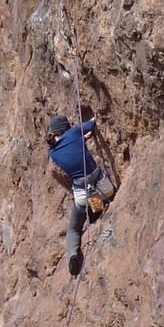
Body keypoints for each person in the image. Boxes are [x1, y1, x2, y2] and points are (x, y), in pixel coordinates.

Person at [46, 113, 116, 275]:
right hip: (104, 187)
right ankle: (101, 209)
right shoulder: (74, 133)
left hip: (83, 196)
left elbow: (69, 149)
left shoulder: (52, 153)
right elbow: (91, 123)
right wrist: (84, 132)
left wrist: (81, 138)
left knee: (73, 229)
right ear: (66, 127)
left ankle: (72, 255)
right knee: (109, 197)